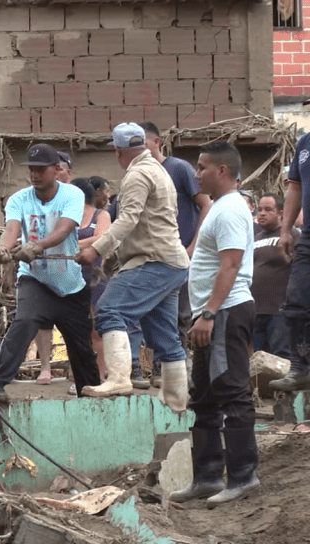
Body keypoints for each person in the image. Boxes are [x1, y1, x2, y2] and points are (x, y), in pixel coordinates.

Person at [169, 141, 259, 506]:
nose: (196, 174)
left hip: (225, 312)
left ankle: (242, 476)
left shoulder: (231, 211)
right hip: (211, 314)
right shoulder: (220, 208)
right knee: (203, 396)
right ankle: (207, 477)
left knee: (231, 390)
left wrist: (208, 313)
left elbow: (231, 266)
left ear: (221, 171)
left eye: (202, 167)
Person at [77, 123, 190, 400]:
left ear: (118, 151)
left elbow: (128, 220)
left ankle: (118, 379)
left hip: (151, 261)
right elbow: (148, 223)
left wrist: (97, 249)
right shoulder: (159, 171)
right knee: (164, 335)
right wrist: (113, 257)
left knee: (109, 311)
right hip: (171, 261)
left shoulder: (137, 175)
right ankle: (178, 397)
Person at [0, 144, 100, 402]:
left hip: (70, 284)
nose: (34, 175)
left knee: (80, 346)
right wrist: (3, 248)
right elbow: (12, 229)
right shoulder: (19, 199)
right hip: (34, 277)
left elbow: (65, 228)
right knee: (24, 322)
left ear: (56, 169)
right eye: (31, 170)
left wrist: (38, 245)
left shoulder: (73, 195)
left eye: (40, 170)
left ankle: (89, 391)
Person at [129, 122, 212, 388]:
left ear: (157, 142)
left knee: (180, 315)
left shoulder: (177, 168)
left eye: (143, 142)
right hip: (150, 258)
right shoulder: (137, 173)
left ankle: (176, 372)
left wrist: (192, 247)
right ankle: (155, 369)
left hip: (179, 256)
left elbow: (205, 204)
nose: (139, 148)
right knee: (152, 314)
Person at [269, 132, 310, 392]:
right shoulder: (305, 143)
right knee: (296, 302)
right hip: (308, 235)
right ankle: (301, 367)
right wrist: (285, 231)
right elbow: (294, 186)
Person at [32, 150, 75, 385]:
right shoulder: (37, 199)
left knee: (73, 322)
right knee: (43, 320)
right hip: (43, 266)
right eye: (53, 168)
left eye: (60, 168)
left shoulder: (75, 196)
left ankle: (73, 366)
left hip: (72, 268)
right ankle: (45, 368)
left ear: (68, 171)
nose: (56, 173)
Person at [73, 177, 111, 380]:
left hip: (96, 277)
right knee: (75, 330)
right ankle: (79, 375)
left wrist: (73, 245)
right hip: (70, 278)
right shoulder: (67, 217)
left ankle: (100, 374)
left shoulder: (101, 215)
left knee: (97, 329)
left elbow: (102, 237)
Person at [252, 194, 299, 359]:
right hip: (256, 310)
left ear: (281, 212)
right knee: (259, 359)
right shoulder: (255, 239)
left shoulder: (291, 236)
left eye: (268, 210)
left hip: (279, 310)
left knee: (281, 358)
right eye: (260, 210)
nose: (262, 213)